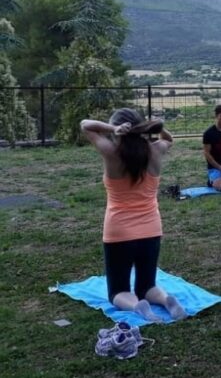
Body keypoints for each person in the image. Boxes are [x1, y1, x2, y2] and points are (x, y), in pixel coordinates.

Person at [80, 108, 187, 322]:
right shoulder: (156, 150)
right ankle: (166, 300)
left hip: (119, 231)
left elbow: (85, 125)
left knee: (117, 292)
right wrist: (155, 127)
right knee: (148, 285)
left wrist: (113, 129)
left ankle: (138, 305)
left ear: (120, 130)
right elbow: (169, 139)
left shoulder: (111, 152)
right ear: (141, 129)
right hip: (151, 229)